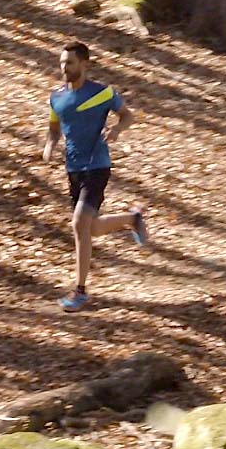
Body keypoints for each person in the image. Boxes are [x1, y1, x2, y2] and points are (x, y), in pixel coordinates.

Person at [42, 41, 149, 312]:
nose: (65, 67)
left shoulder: (103, 93)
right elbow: (54, 129)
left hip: (97, 165)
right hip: (73, 169)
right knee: (90, 228)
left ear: (85, 64)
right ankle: (131, 219)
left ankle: (80, 291)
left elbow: (127, 116)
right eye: (62, 62)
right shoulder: (56, 97)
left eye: (70, 63)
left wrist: (115, 131)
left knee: (79, 224)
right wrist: (49, 145)